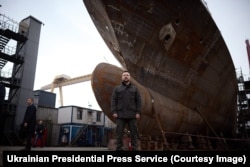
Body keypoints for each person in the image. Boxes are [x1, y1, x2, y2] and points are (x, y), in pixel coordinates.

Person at [111, 70, 142, 151]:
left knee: (134, 134)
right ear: (122, 77)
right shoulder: (117, 89)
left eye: (127, 75)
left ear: (129, 77)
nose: (126, 76)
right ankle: (119, 149)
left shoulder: (135, 89)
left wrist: (138, 112)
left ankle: (135, 149)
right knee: (119, 134)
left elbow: (139, 101)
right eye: (124, 75)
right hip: (120, 115)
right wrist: (114, 111)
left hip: (132, 114)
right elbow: (113, 100)